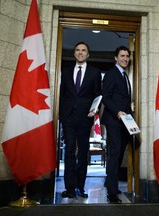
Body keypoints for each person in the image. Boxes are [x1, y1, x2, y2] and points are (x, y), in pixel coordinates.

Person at [59, 42, 101, 198]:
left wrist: (94, 109)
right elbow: (62, 94)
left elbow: (98, 94)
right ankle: (69, 188)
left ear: (88, 54)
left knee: (83, 152)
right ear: (74, 53)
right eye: (78, 50)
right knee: (69, 150)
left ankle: (80, 188)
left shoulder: (95, 72)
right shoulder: (66, 71)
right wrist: (62, 115)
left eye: (84, 50)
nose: (80, 52)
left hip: (85, 117)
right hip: (68, 117)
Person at [101, 46, 132, 204]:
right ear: (115, 58)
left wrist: (130, 115)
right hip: (114, 120)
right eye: (122, 56)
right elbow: (106, 97)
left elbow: (123, 98)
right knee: (115, 154)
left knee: (119, 153)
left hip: (125, 122)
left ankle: (110, 182)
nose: (125, 58)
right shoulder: (111, 74)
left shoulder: (124, 76)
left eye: (127, 56)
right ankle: (111, 193)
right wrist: (118, 112)